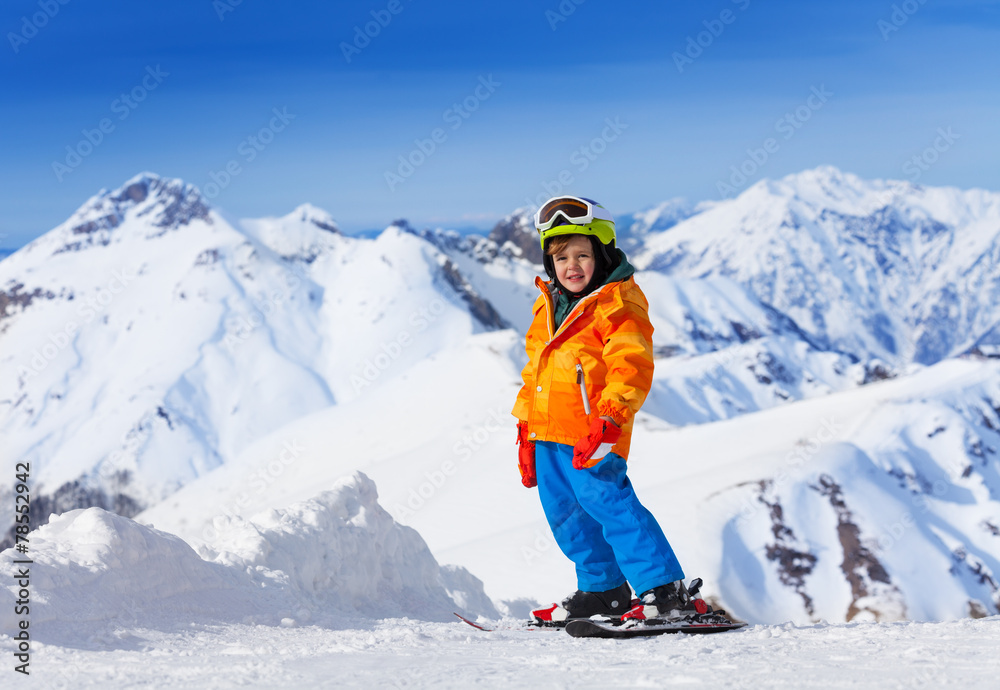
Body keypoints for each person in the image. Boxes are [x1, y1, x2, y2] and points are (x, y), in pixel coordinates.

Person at [512, 195, 690, 625]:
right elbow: (535, 369)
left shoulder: (617, 303)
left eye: (582, 255)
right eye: (560, 257)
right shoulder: (548, 304)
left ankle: (664, 590)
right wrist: (525, 427)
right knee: (567, 515)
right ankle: (603, 590)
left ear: (603, 253)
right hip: (548, 434)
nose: (571, 266)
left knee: (610, 504)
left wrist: (610, 416)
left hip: (594, 431)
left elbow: (631, 364)